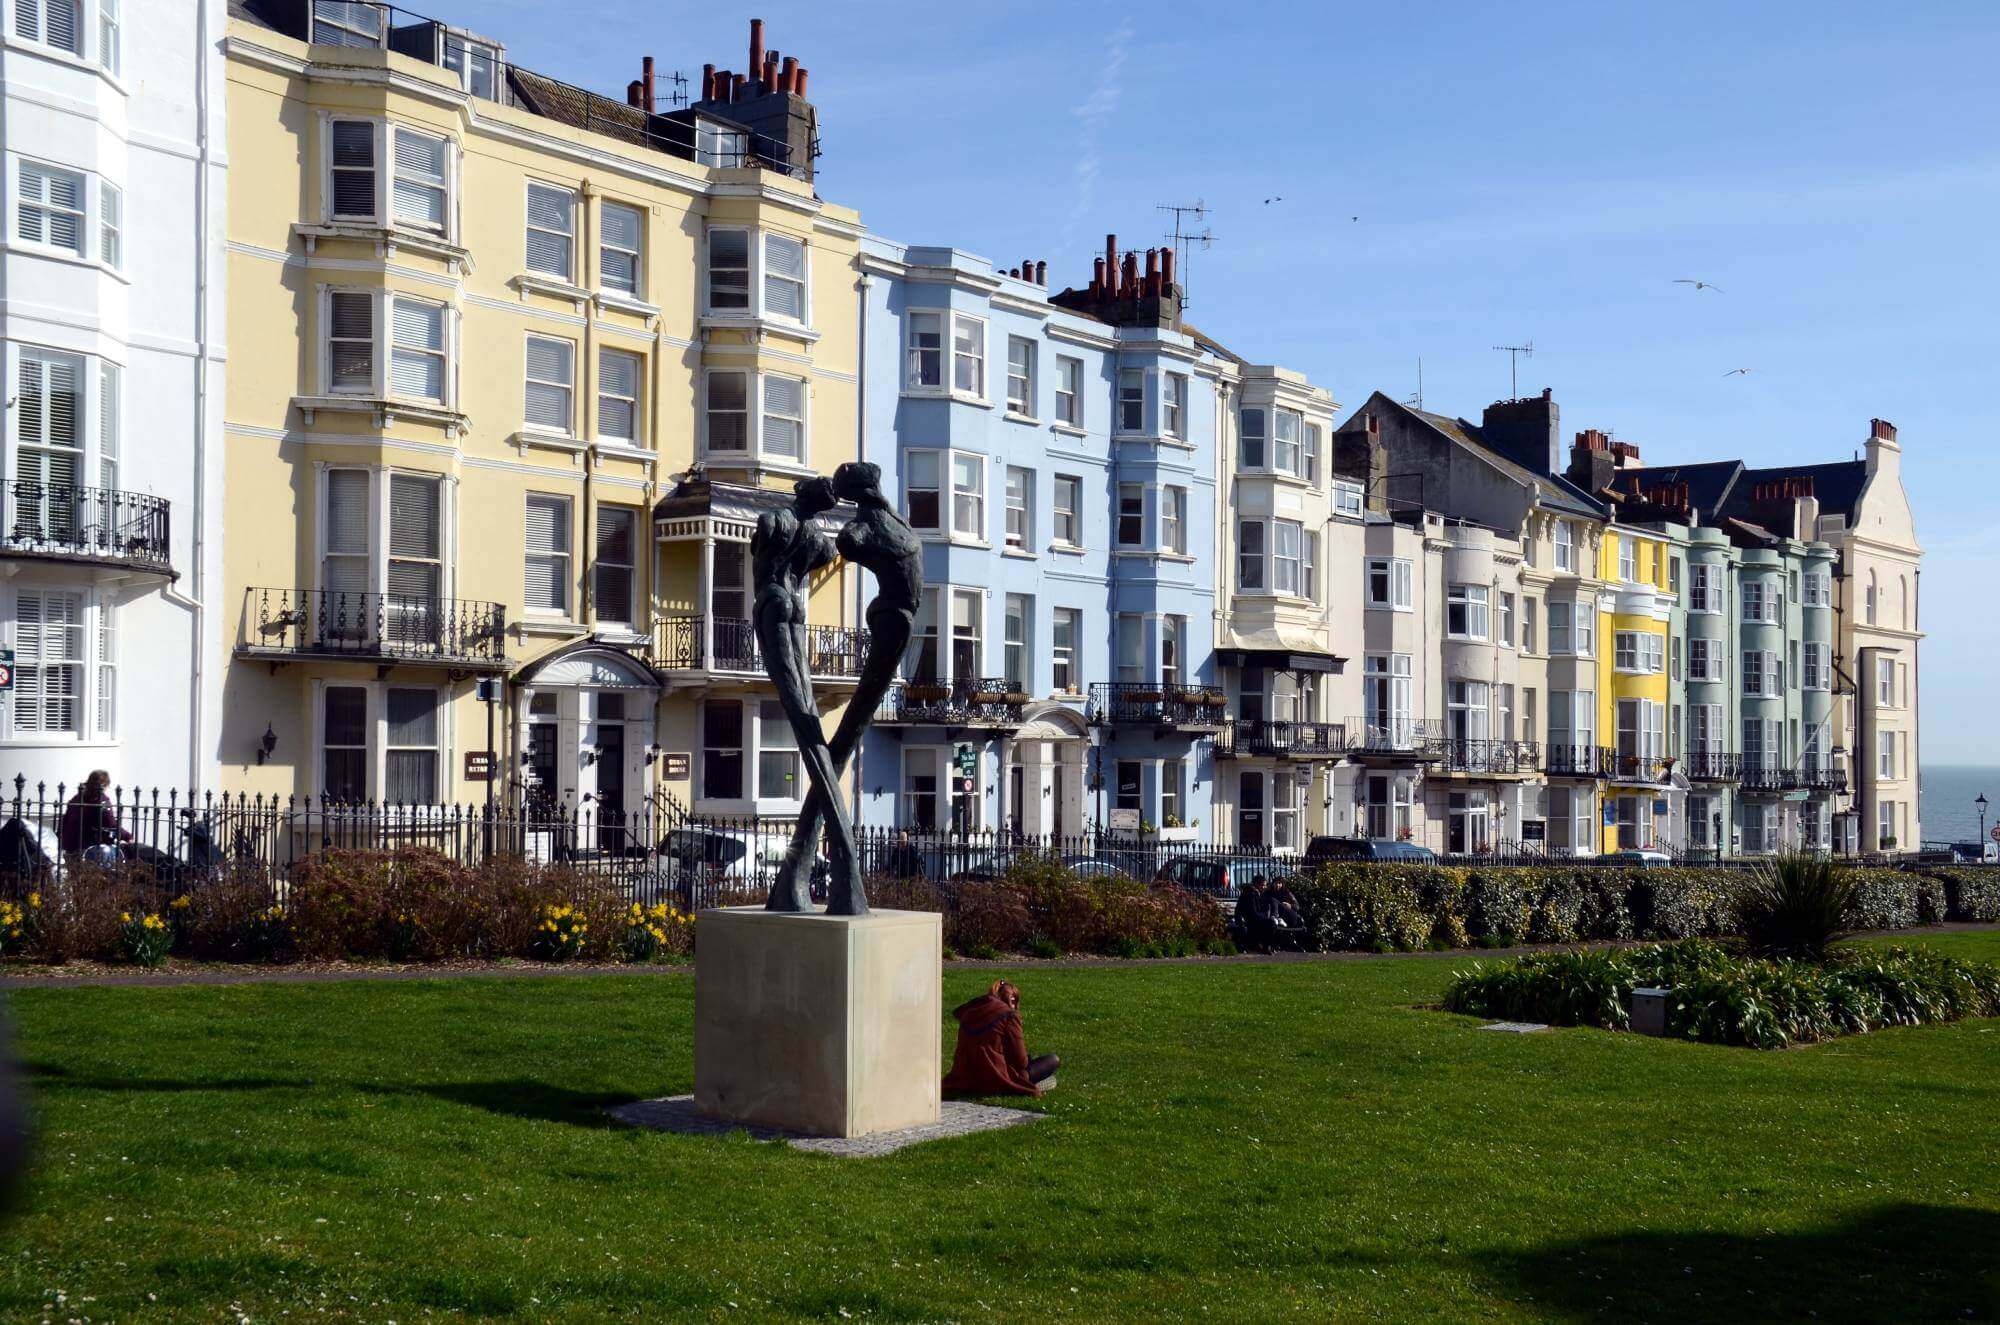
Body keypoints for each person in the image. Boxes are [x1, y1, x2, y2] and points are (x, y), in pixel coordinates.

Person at [777, 461, 924, 915]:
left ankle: (805, 880)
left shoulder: (863, 528)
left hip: (890, 624)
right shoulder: (894, 522)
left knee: (840, 740)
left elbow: (842, 545)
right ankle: (802, 883)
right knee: (837, 742)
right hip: (896, 621)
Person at [941, 979, 1059, 1097]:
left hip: (965, 1078)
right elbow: (1021, 1062)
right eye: (1014, 1002)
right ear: (1011, 999)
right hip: (996, 1078)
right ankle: (1030, 1084)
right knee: (1052, 1060)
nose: (1015, 1006)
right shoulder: (1009, 1015)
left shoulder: (969, 1013)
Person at [58, 771, 129, 860]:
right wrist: (127, 836)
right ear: (104, 785)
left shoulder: (77, 798)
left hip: (69, 845)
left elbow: (65, 820)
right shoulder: (101, 801)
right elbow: (111, 825)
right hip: (88, 847)